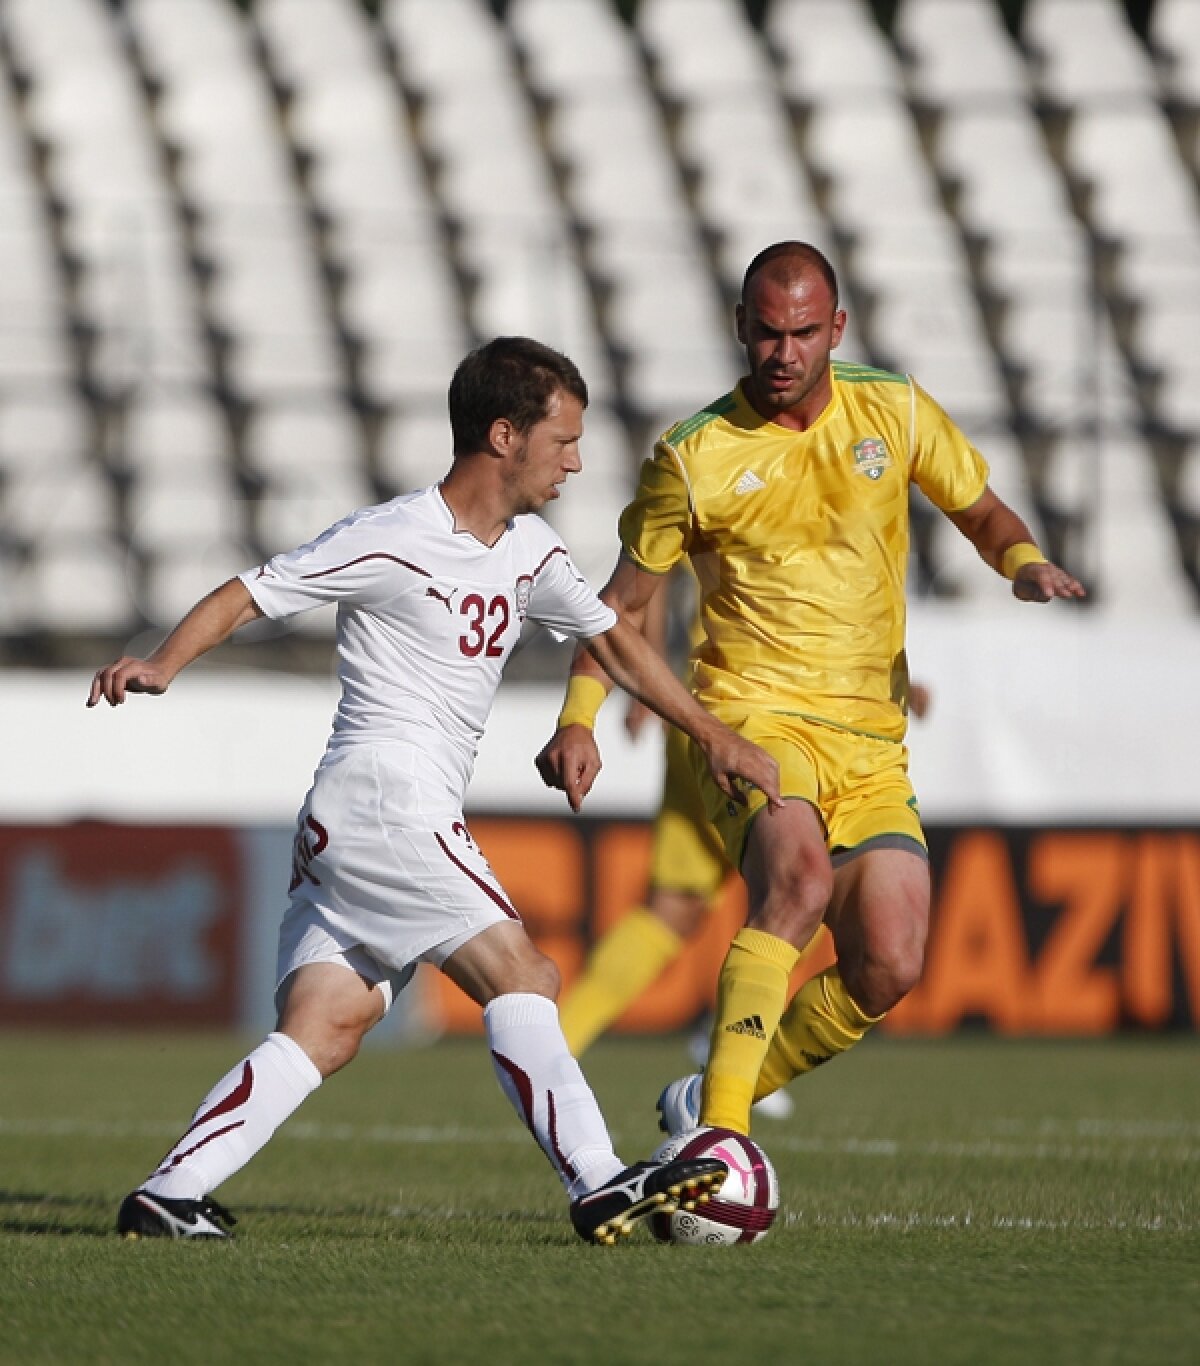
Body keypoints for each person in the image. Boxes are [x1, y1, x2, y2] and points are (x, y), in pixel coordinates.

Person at [88, 336, 783, 1243]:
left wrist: (704, 736)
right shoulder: (395, 537)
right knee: (523, 973)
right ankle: (601, 1181)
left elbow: (613, 636)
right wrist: (162, 664)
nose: (576, 459)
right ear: (504, 436)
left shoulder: (530, 550)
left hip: (353, 821)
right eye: (562, 440)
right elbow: (253, 591)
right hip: (387, 797)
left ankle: (168, 1194)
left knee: (327, 1024)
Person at [536, 242, 1085, 1140]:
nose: (783, 354)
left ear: (836, 329)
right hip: (750, 722)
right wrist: (579, 717)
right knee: (793, 883)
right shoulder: (693, 455)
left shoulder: (894, 408)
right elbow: (620, 607)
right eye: (764, 334)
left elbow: (982, 513)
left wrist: (1023, 564)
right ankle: (719, 1143)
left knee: (892, 962)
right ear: (740, 330)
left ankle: (714, 1097)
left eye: (801, 334)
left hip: (870, 741)